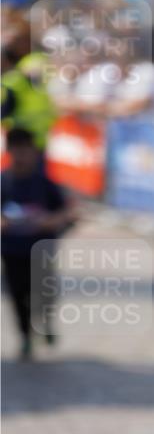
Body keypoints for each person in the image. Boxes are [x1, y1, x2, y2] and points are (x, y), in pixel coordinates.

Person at [1, 127, 76, 359]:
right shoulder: (3, 182)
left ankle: (45, 323)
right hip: (12, 249)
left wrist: (52, 220)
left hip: (40, 249)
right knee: (17, 294)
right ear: (10, 151)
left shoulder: (45, 183)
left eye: (27, 150)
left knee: (43, 291)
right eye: (17, 150)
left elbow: (68, 212)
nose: (22, 156)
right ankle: (25, 337)